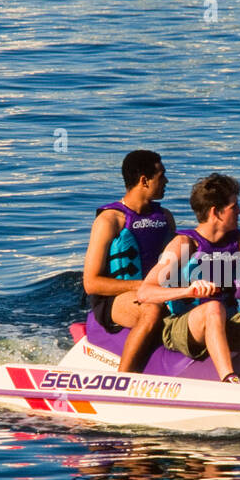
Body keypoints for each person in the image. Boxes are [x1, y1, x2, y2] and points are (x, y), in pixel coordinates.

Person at [138, 173, 240, 383]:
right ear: (216, 212)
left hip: (226, 320)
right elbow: (145, 292)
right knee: (213, 308)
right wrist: (188, 291)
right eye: (234, 207)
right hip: (183, 327)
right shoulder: (184, 244)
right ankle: (229, 379)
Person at [82, 150, 176, 373]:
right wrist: (144, 287)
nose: (166, 181)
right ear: (144, 180)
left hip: (156, 292)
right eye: (161, 176)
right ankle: (123, 378)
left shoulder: (165, 218)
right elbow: (91, 284)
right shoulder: (110, 220)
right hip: (113, 301)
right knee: (151, 310)